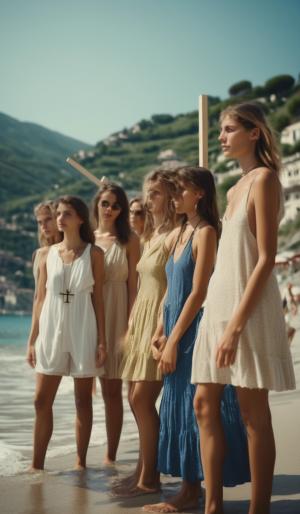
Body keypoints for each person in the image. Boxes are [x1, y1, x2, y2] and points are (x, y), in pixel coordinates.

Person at [192, 103, 296, 514]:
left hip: (247, 311)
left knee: (254, 414)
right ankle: (212, 505)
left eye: (230, 129)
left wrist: (235, 326)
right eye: (220, 130)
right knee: (204, 403)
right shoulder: (233, 189)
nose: (222, 136)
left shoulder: (264, 180)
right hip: (218, 307)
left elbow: (266, 258)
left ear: (254, 133)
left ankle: (259, 509)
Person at [144, 166, 250, 514]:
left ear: (199, 193)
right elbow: (168, 291)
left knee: (196, 409)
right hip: (174, 327)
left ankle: (200, 495)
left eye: (180, 191)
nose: (174, 198)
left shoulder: (206, 233)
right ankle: (188, 489)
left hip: (194, 330)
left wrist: (174, 340)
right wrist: (159, 331)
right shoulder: (180, 232)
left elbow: (198, 292)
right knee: (178, 407)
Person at [26, 195, 107, 471]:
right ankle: (37, 465)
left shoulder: (95, 254)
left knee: (83, 400)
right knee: (40, 400)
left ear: (81, 218)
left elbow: (99, 301)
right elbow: (39, 299)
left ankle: (81, 463)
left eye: (67, 214)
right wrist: (31, 340)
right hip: (51, 328)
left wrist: (102, 341)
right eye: (58, 214)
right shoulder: (46, 255)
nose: (60, 219)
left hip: (83, 327)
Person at [114, 169, 178, 496]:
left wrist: (162, 327)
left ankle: (150, 478)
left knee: (141, 397)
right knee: (135, 397)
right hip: (142, 317)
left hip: (159, 319)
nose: (149, 199)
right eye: (147, 193)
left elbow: (178, 283)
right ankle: (142, 469)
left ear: (170, 195)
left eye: (154, 193)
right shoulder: (153, 235)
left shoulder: (176, 234)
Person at [93, 182, 140, 464]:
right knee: (90, 388)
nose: (110, 209)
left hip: (120, 313)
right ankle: (82, 456)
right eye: (105, 203)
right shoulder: (89, 240)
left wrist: (130, 325)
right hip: (92, 314)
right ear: (96, 205)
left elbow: (135, 287)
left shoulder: (130, 239)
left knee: (115, 389)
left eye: (116, 205)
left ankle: (111, 455)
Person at [32, 201, 62, 287]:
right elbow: (38, 292)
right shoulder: (38, 255)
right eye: (40, 222)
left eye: (48, 219)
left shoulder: (72, 251)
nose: (43, 226)